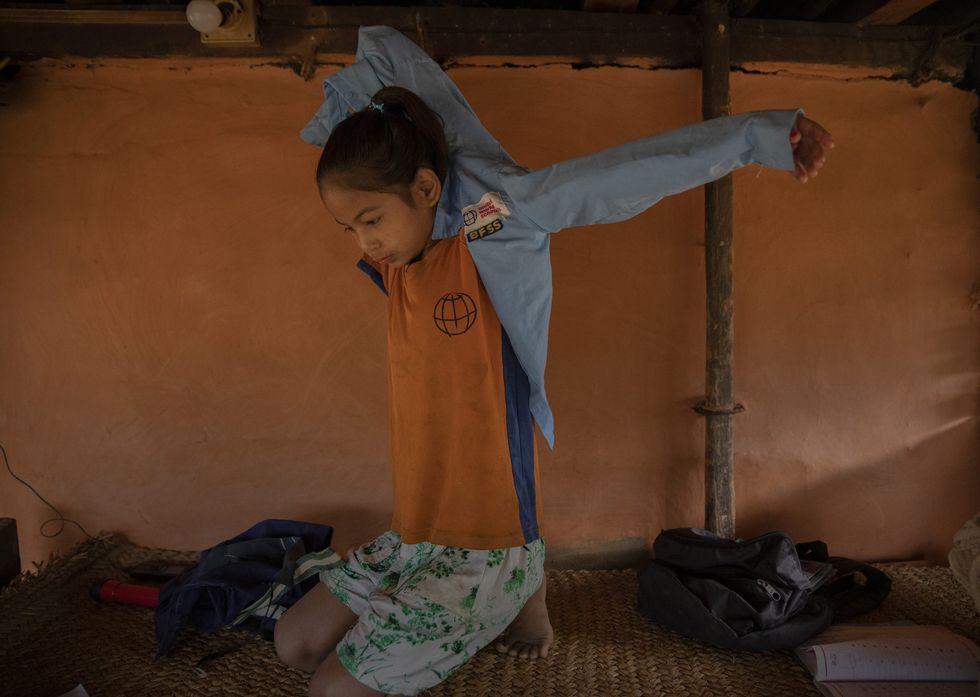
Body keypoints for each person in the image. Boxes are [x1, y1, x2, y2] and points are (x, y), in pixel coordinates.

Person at [274, 25, 834, 697]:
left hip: (482, 547)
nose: (364, 243)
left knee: (328, 689)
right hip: (413, 535)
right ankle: (526, 589)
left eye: (371, 219)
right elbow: (376, 125)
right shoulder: (396, 271)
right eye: (350, 228)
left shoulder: (484, 230)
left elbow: (606, 179)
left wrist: (759, 137)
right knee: (292, 644)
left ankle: (516, 582)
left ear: (427, 188)